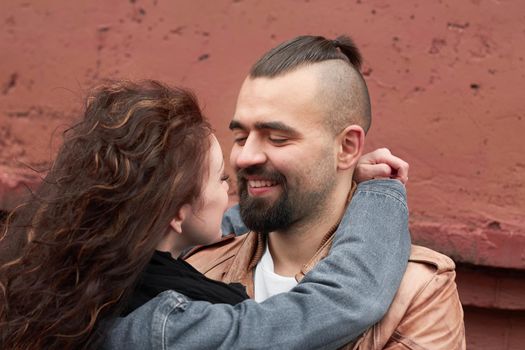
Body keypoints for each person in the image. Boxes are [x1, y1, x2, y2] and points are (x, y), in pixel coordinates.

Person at [0, 80, 410, 350]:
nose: (230, 189)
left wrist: (317, 187)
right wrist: (380, 190)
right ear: (176, 214)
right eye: (218, 181)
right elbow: (342, 301)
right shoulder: (168, 328)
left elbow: (221, 225)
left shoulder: (93, 284)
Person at [186, 35, 466, 349]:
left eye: (277, 138)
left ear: (346, 148)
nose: (245, 157)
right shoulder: (196, 269)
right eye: (240, 136)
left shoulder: (418, 290)